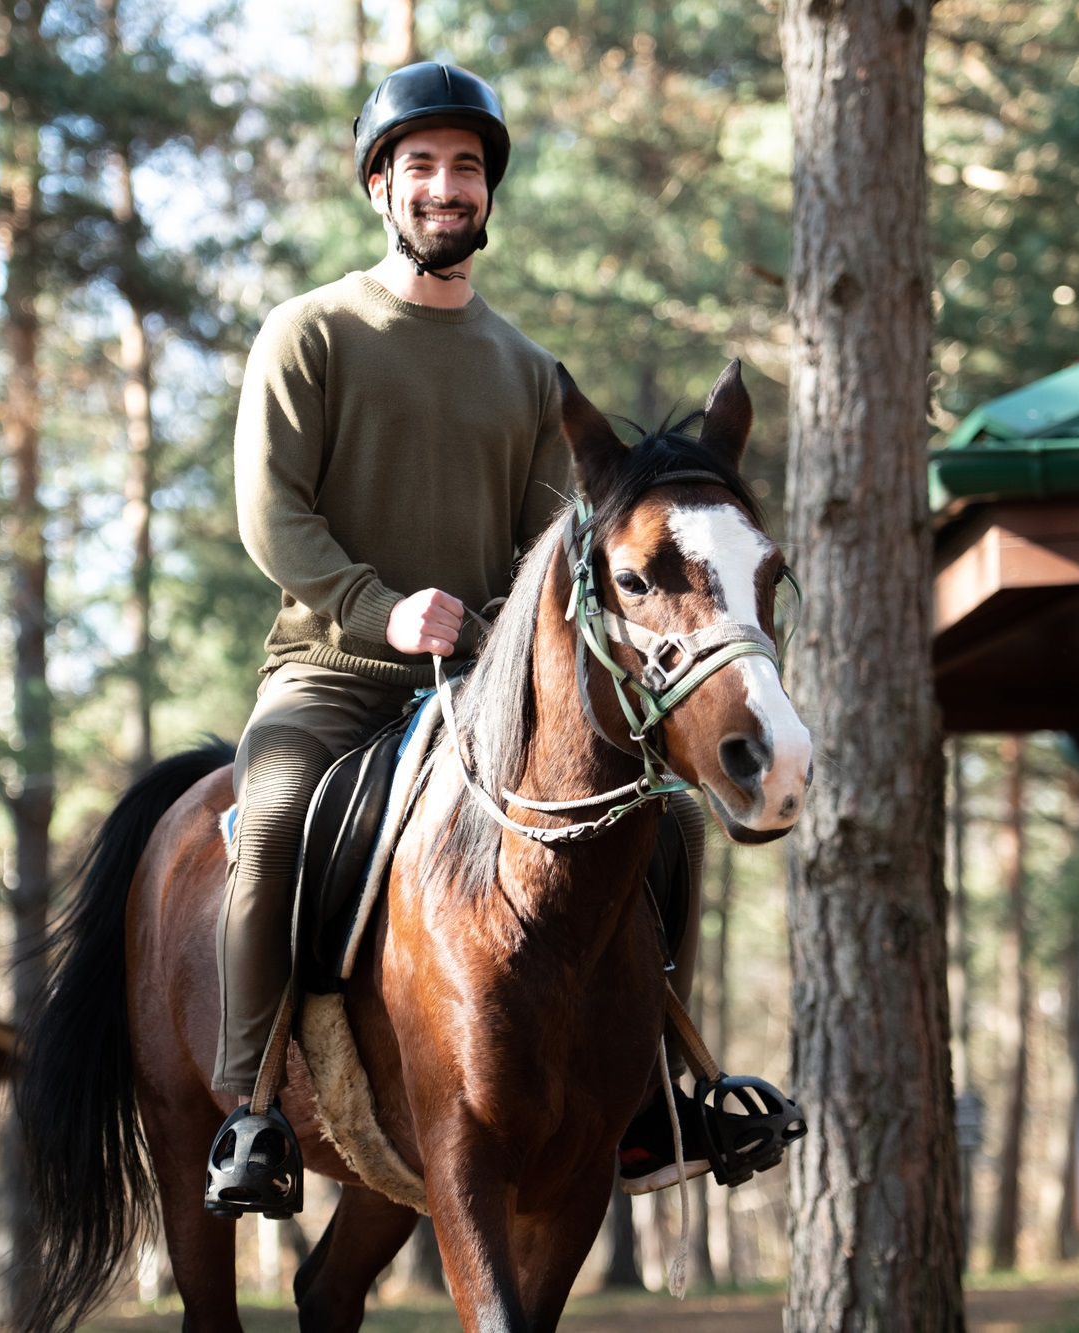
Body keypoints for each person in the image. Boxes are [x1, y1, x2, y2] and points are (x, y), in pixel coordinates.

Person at [207, 62, 766, 1217]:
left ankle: (657, 1101)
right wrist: (379, 608)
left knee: (660, 826)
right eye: (420, 166)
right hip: (331, 667)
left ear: (486, 197)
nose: (444, 187)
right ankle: (247, 1111)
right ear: (379, 187)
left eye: (465, 168)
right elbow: (273, 517)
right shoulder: (308, 333)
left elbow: (544, 554)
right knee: (267, 818)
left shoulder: (524, 371)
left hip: (479, 690)